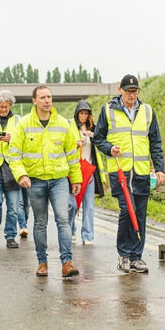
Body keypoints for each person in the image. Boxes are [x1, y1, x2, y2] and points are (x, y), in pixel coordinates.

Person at [93, 74, 165, 274]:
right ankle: (124, 254)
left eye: (135, 92)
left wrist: (159, 168)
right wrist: (109, 148)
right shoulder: (107, 111)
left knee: (140, 215)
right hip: (120, 172)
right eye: (128, 92)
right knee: (127, 211)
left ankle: (136, 258)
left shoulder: (147, 111)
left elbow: (155, 142)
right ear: (120, 91)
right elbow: (98, 139)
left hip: (141, 173)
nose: (132, 95)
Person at [8, 86, 82, 278]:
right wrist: (21, 175)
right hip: (35, 181)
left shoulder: (63, 124)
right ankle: (42, 262)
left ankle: (67, 262)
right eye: (42, 97)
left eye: (49, 97)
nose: (47, 100)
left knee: (63, 219)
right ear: (34, 101)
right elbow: (14, 154)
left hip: (59, 180)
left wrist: (76, 179)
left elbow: (72, 155)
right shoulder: (24, 124)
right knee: (40, 222)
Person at [0, 90, 27, 248]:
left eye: (6, 106)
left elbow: (24, 144)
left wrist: (13, 141)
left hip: (12, 168)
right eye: (0, 106)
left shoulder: (18, 120)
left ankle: (10, 236)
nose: (3, 109)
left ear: (10, 105)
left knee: (13, 207)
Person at [67, 101, 106, 245]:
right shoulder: (69, 126)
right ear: (77, 113)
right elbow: (63, 144)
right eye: (81, 113)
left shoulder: (94, 129)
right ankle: (70, 231)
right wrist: (74, 144)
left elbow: (103, 142)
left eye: (86, 113)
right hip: (74, 170)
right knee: (71, 204)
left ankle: (88, 236)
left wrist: (93, 136)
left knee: (89, 205)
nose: (83, 116)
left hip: (89, 170)